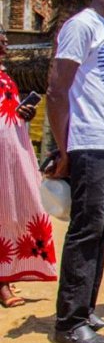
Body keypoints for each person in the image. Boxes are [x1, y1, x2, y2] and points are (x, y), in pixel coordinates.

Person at [46, 0, 104, 343]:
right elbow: (57, 91)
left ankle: (86, 308)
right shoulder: (81, 25)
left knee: (103, 227)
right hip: (89, 142)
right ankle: (69, 321)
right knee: (86, 230)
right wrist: (64, 149)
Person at [0, 28, 57, 307]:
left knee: (13, 211)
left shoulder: (5, 75)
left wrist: (25, 112)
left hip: (13, 153)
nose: (5, 42)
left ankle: (6, 276)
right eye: (0, 38)